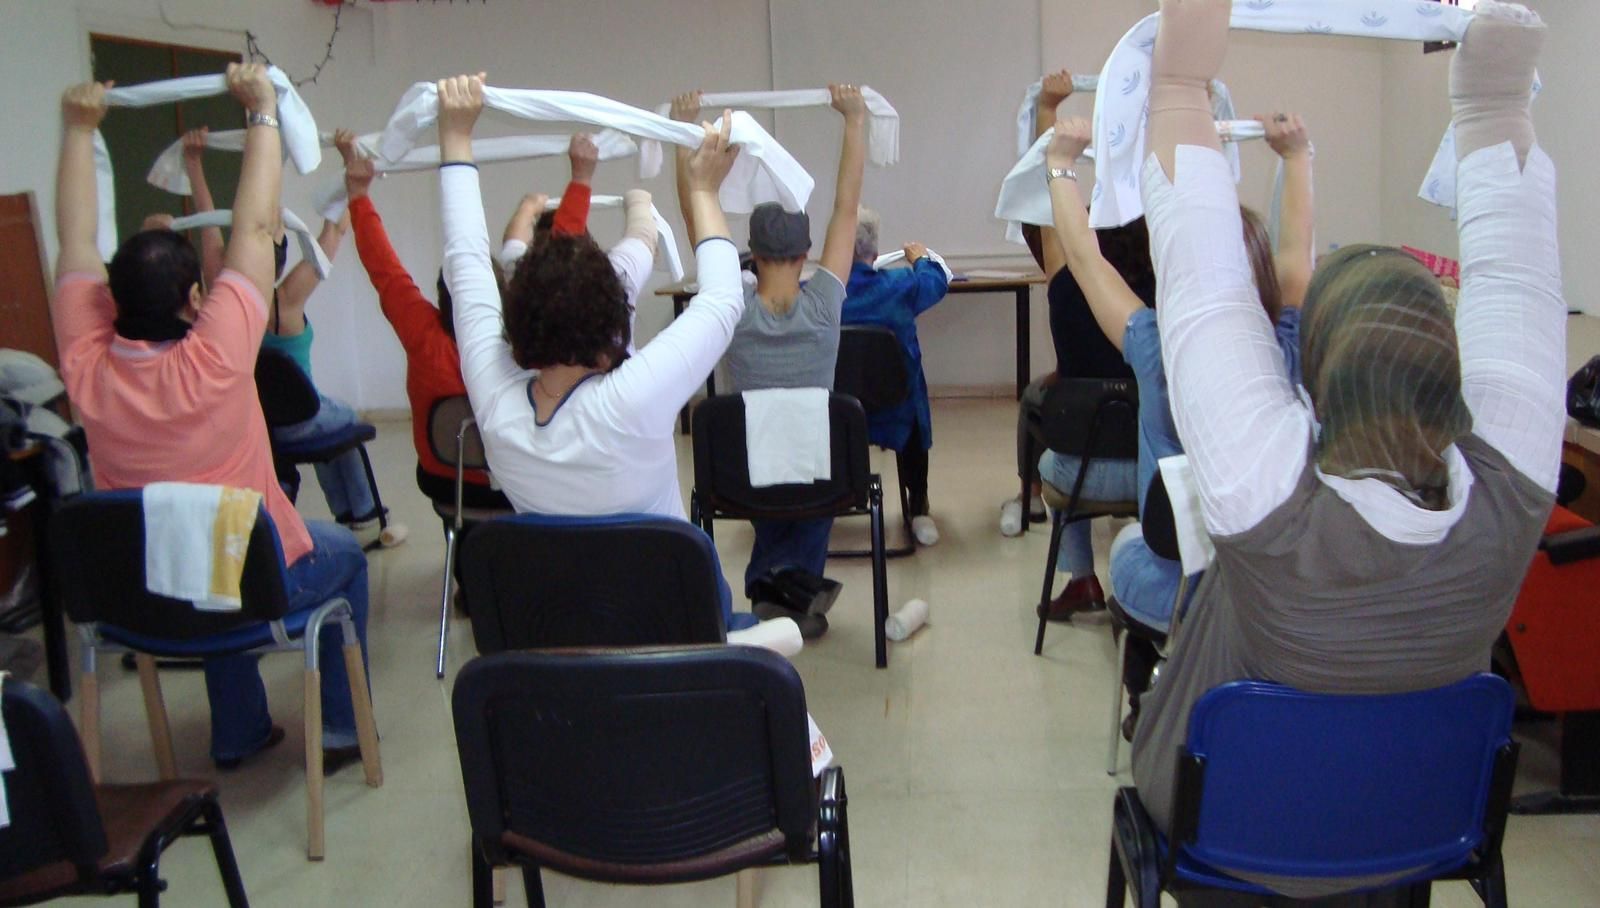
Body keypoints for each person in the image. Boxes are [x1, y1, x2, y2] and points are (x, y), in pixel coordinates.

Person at [1131, 2, 1561, 903]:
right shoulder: (1512, 494)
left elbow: (1205, 285)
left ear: (1318, 376)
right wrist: (1492, 102)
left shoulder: (1267, 498)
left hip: (1233, 838)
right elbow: (1519, 278)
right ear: (1454, 376)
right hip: (1415, 830)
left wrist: (1176, 82)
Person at [50, 66, 374, 773]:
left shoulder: (84, 366)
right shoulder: (218, 356)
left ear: (108, 302)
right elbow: (255, 226)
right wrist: (262, 111)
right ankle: (343, 733)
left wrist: (78, 131)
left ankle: (239, 733)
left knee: (208, 548)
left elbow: (73, 243)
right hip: (238, 582)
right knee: (341, 559)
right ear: (196, 299)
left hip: (146, 595)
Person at [435, 72, 759, 631]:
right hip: (675, 634)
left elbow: (465, 261)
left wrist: (455, 137)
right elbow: (724, 299)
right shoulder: (630, 400)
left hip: (563, 636)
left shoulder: (494, 398)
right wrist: (704, 191)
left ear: (516, 322)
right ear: (613, 330)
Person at [1041, 112, 1313, 737]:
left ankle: (1150, 697)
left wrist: (1060, 163)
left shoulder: (1155, 346)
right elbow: (1297, 257)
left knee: (1131, 549)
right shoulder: (1285, 345)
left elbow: (1084, 258)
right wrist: (1298, 158)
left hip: (1183, 592)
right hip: (1274, 596)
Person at [670, 86, 868, 636]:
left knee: (774, 460)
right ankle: (787, 587)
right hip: (822, 474)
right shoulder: (824, 305)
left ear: (752, 255)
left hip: (745, 474)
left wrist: (682, 136)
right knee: (812, 462)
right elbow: (847, 207)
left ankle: (775, 584)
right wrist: (855, 120)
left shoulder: (731, 305)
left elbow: (695, 217)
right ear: (806, 255)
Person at [1005, 69, 1153, 621]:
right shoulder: (1166, 300)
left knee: (1052, 449)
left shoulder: (1067, 285)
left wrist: (1049, 109)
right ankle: (1155, 565)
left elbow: (1052, 213)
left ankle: (1082, 580)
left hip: (1084, 468)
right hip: (1157, 468)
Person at [339, 132, 513, 514]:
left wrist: (358, 195)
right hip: (508, 487)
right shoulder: (523, 347)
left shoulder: (423, 335)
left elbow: (384, 269)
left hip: (442, 479)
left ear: (441, 294)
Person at [839, 208, 950, 545]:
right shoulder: (901, 286)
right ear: (874, 252)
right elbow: (936, 282)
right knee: (912, 388)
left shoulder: (819, 295)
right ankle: (918, 504)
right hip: (895, 409)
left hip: (835, 412)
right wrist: (921, 259)